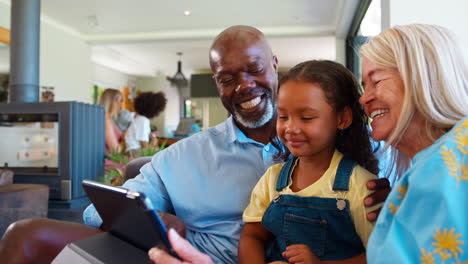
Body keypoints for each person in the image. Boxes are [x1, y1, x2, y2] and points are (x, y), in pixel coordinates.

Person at [0, 25, 389, 264]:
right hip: (187, 257)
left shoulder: (352, 149)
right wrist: (153, 219)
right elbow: (109, 207)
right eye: (226, 78)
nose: (243, 86)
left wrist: (390, 196)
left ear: (274, 64)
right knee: (24, 233)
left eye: (254, 69)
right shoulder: (188, 154)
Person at [148, 24, 467, 264]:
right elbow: (254, 234)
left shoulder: (434, 169)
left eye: (377, 81)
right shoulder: (423, 167)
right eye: (285, 117)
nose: (364, 98)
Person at [239, 60, 379, 263]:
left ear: (342, 119)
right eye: (283, 116)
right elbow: (252, 236)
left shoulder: (360, 186)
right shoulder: (273, 179)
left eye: (306, 118)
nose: (291, 128)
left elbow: (379, 255)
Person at [360, 24, 468, 263]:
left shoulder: (446, 162)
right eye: (363, 86)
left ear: (421, 78)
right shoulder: (431, 168)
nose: (364, 98)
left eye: (376, 81)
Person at [125, 91, 167, 156]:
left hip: (133, 149)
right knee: (160, 153)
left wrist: (151, 136)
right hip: (135, 151)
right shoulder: (143, 120)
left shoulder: (140, 119)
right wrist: (153, 144)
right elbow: (143, 143)